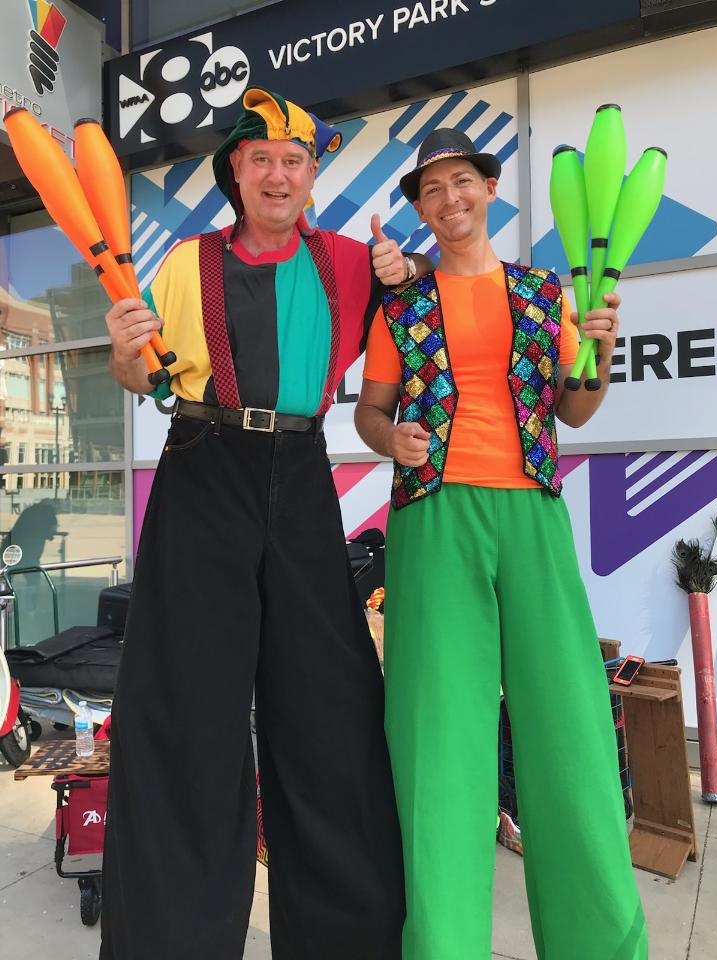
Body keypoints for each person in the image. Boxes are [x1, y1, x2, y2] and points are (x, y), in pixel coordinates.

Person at [100, 88, 432, 960]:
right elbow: (142, 378)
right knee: (183, 709)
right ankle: (173, 941)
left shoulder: (352, 263)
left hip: (300, 471)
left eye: (293, 162)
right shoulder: (183, 263)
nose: (277, 175)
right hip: (204, 465)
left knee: (329, 708)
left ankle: (345, 940)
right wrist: (125, 349)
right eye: (260, 162)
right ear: (235, 177)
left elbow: (419, 335)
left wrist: (411, 279)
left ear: (312, 177)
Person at [355, 127, 648, 960]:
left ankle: (600, 943)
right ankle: (442, 946)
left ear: (488, 190)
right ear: (420, 205)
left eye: (463, 182)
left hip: (532, 513)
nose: (450, 200)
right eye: (433, 189)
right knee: (437, 738)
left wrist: (602, 344)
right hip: (432, 515)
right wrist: (393, 438)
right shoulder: (402, 305)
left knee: (571, 727)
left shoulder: (541, 292)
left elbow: (577, 408)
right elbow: (370, 412)